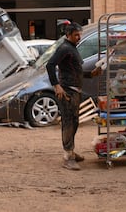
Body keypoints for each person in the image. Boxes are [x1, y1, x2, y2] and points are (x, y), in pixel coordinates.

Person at [46, 22, 85, 170]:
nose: (79, 37)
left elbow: (74, 70)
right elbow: (50, 65)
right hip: (67, 91)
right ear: (68, 35)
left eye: (79, 34)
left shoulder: (72, 48)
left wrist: (90, 74)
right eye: (76, 35)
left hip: (74, 90)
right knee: (69, 122)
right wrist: (56, 85)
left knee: (74, 121)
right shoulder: (64, 48)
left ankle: (71, 152)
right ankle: (68, 156)